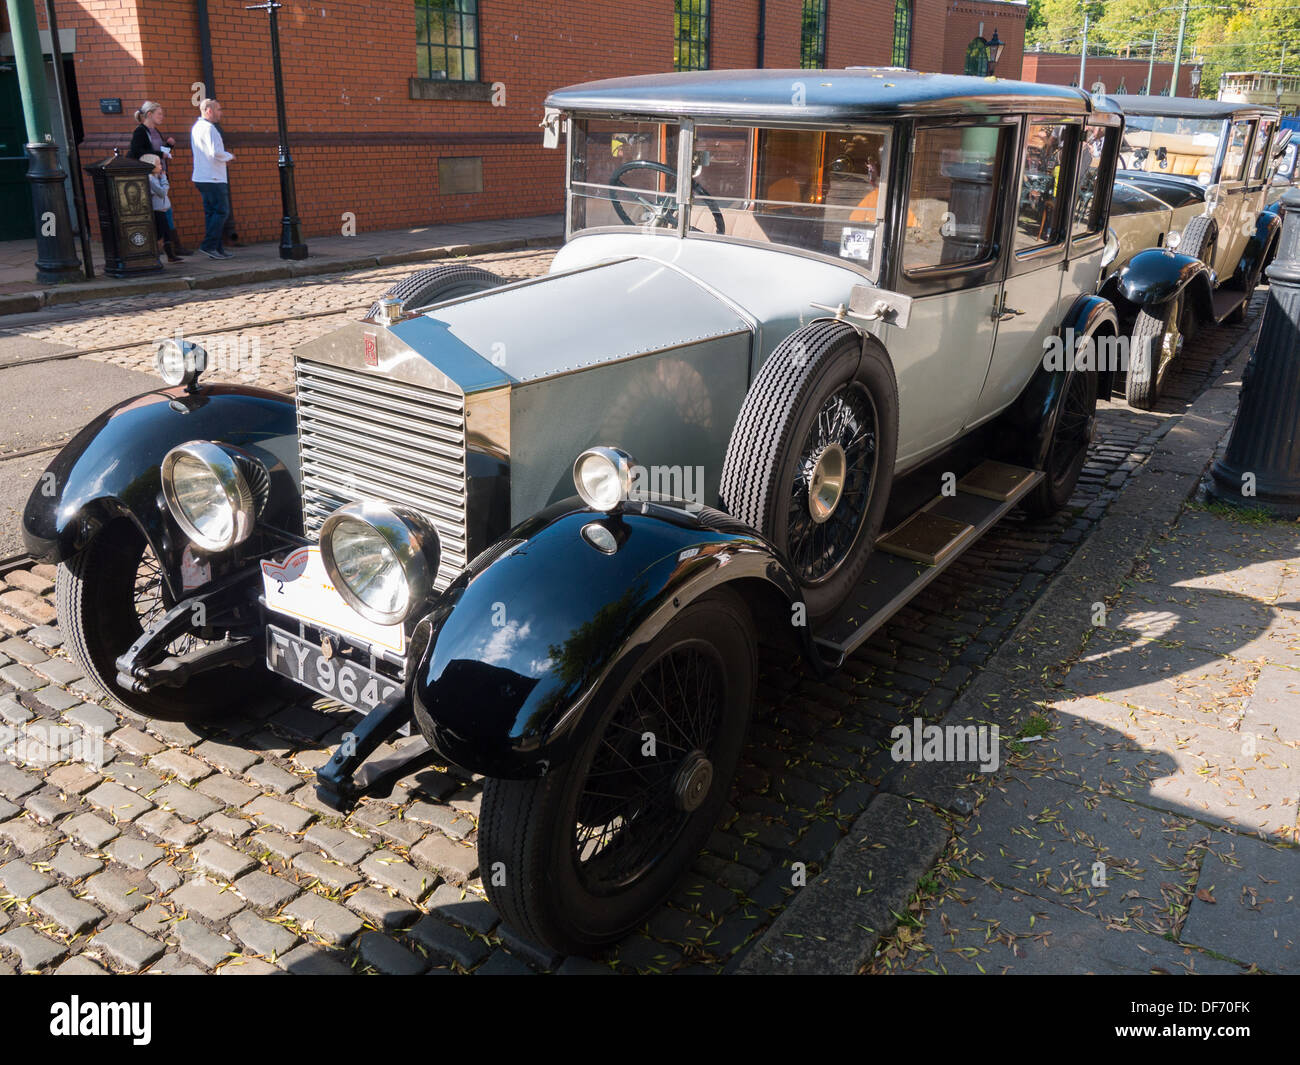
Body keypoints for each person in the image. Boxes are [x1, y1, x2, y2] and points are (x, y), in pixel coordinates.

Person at [129, 101, 189, 254]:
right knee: (161, 211)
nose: (162, 117)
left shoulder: (155, 131)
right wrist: (160, 154)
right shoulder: (140, 132)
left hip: (159, 174)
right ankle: (169, 247)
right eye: (159, 114)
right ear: (149, 114)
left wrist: (168, 147)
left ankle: (173, 247)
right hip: (149, 178)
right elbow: (138, 152)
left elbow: (158, 152)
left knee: (165, 209)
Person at [190, 98, 235, 260]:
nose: (220, 113)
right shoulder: (209, 129)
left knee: (211, 213)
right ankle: (209, 245)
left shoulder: (197, 127)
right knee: (222, 211)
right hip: (213, 177)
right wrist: (230, 156)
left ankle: (216, 248)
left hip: (202, 176)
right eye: (218, 109)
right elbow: (215, 153)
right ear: (209, 110)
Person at [140, 153, 183, 262]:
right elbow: (162, 192)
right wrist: (164, 179)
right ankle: (155, 255)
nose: (161, 167)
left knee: (167, 231)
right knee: (160, 233)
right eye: (158, 164)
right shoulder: (150, 179)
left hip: (165, 208)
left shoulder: (155, 177)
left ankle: (170, 255)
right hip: (157, 210)